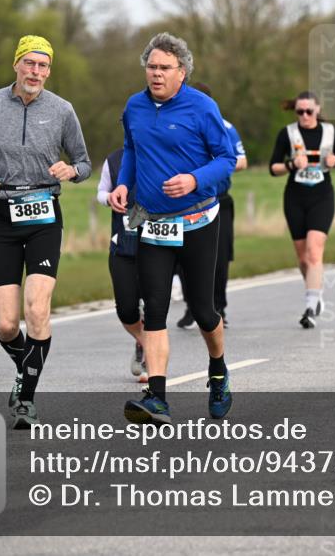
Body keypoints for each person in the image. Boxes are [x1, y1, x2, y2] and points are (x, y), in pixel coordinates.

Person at [0, 35, 92, 429]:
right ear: (16, 65)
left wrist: (72, 171)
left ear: (49, 70)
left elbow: (84, 162)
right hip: (1, 218)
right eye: (30, 63)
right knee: (5, 324)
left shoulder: (63, 110)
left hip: (44, 217)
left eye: (44, 65)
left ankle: (26, 400)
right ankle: (28, 367)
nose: (36, 72)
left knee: (37, 308)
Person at [109, 33, 236, 424]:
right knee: (156, 309)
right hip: (153, 224)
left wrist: (195, 180)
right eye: (151, 67)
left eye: (165, 68)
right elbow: (131, 148)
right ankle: (157, 397)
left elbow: (226, 157)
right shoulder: (135, 106)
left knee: (203, 310)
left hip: (198, 220)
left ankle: (218, 370)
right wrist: (124, 183)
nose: (156, 74)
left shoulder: (202, 107)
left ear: (182, 72)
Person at [269, 92, 335, 328]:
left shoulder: (331, 132)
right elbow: (273, 167)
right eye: (300, 111)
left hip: (322, 196)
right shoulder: (288, 133)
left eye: (309, 111)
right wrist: (292, 164)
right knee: (303, 258)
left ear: (317, 110)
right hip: (294, 197)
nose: (304, 116)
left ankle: (310, 307)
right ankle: (315, 293)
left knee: (315, 252)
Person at [176, 83, 248, 330]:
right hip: (185, 203)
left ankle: (219, 307)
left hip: (218, 200)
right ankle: (191, 306)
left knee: (220, 258)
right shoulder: (178, 123)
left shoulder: (225, 126)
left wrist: (212, 166)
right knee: (183, 258)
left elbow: (241, 160)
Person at [96, 147, 146, 383]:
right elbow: (101, 192)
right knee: (126, 309)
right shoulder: (114, 160)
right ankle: (144, 342)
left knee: (154, 307)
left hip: (159, 245)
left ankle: (152, 359)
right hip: (123, 245)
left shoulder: (165, 150)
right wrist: (109, 198)